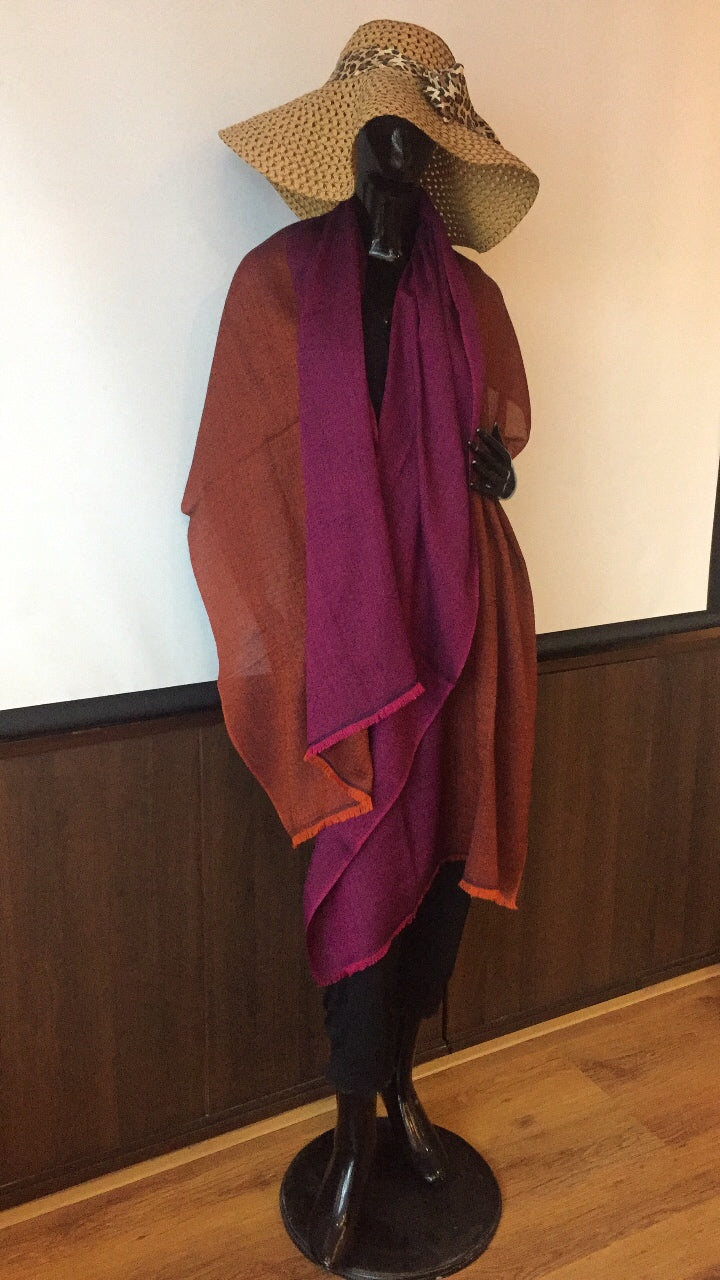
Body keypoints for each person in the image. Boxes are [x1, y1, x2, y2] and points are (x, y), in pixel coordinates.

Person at [181, 19, 539, 1269]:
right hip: (345, 652)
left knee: (436, 872)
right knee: (359, 864)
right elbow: (238, 474)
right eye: (380, 134)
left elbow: (496, 447)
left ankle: (401, 1088)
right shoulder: (278, 286)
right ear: (347, 144)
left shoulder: (474, 299)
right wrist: (299, 626)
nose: (396, 159)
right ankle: (349, 1137)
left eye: (417, 140)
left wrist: (489, 470)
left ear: (437, 160)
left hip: (463, 621)